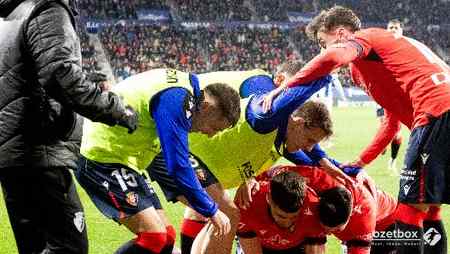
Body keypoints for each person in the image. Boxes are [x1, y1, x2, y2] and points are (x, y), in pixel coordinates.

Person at [263, 6, 450, 254]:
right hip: (441, 111)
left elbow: (333, 58)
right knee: (430, 207)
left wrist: (286, 87)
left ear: (341, 34)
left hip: (435, 110)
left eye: (323, 42)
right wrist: (361, 161)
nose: (322, 50)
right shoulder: (376, 61)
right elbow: (391, 122)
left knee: (409, 210)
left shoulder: (365, 39)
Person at [147, 61, 348, 254]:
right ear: (297, 121)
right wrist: (326, 72)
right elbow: (266, 113)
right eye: (310, 139)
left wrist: (348, 168)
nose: (310, 147)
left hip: (189, 152)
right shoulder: (263, 97)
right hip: (173, 148)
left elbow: (311, 159)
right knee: (227, 214)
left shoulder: (283, 137)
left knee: (215, 216)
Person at [0, 1, 138, 253]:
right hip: (40, 151)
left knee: (35, 246)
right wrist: (118, 110)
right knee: (69, 248)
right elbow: (60, 77)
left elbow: (25, 74)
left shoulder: (11, 14)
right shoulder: (46, 8)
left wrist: (83, 79)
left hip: (14, 153)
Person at [76, 68, 241, 254]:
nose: (210, 134)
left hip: (124, 161)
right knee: (154, 237)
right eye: (214, 127)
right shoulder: (177, 101)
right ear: (206, 107)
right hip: (101, 156)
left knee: (167, 239)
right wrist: (211, 210)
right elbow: (178, 166)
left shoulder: (188, 89)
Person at [237, 171, 327, 254]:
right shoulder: (248, 202)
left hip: (299, 245)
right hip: (262, 244)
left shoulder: (313, 208)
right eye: (281, 216)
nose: (287, 224)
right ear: (268, 198)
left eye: (294, 217)